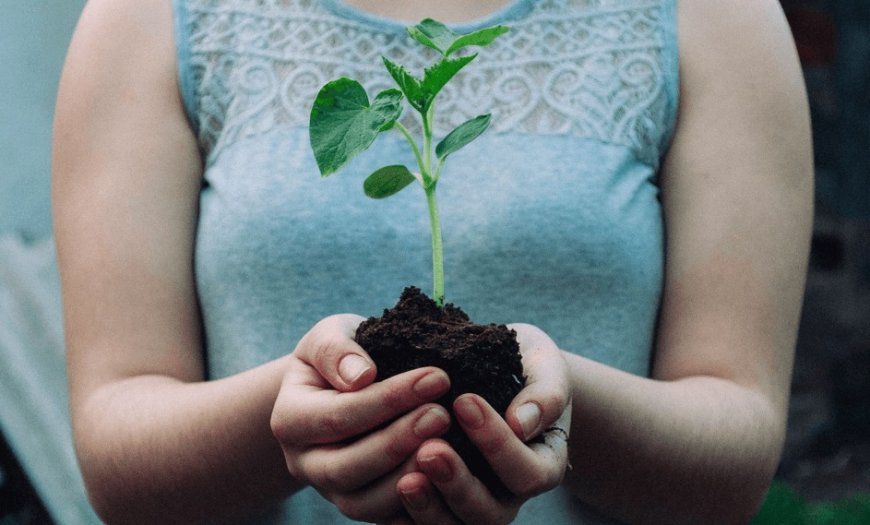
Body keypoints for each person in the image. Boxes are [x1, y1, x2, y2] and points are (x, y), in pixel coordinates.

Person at [51, 0, 813, 523]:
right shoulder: (151, 17)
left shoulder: (715, 17)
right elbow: (116, 450)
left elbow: (736, 447)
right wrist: (290, 414)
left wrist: (564, 403)